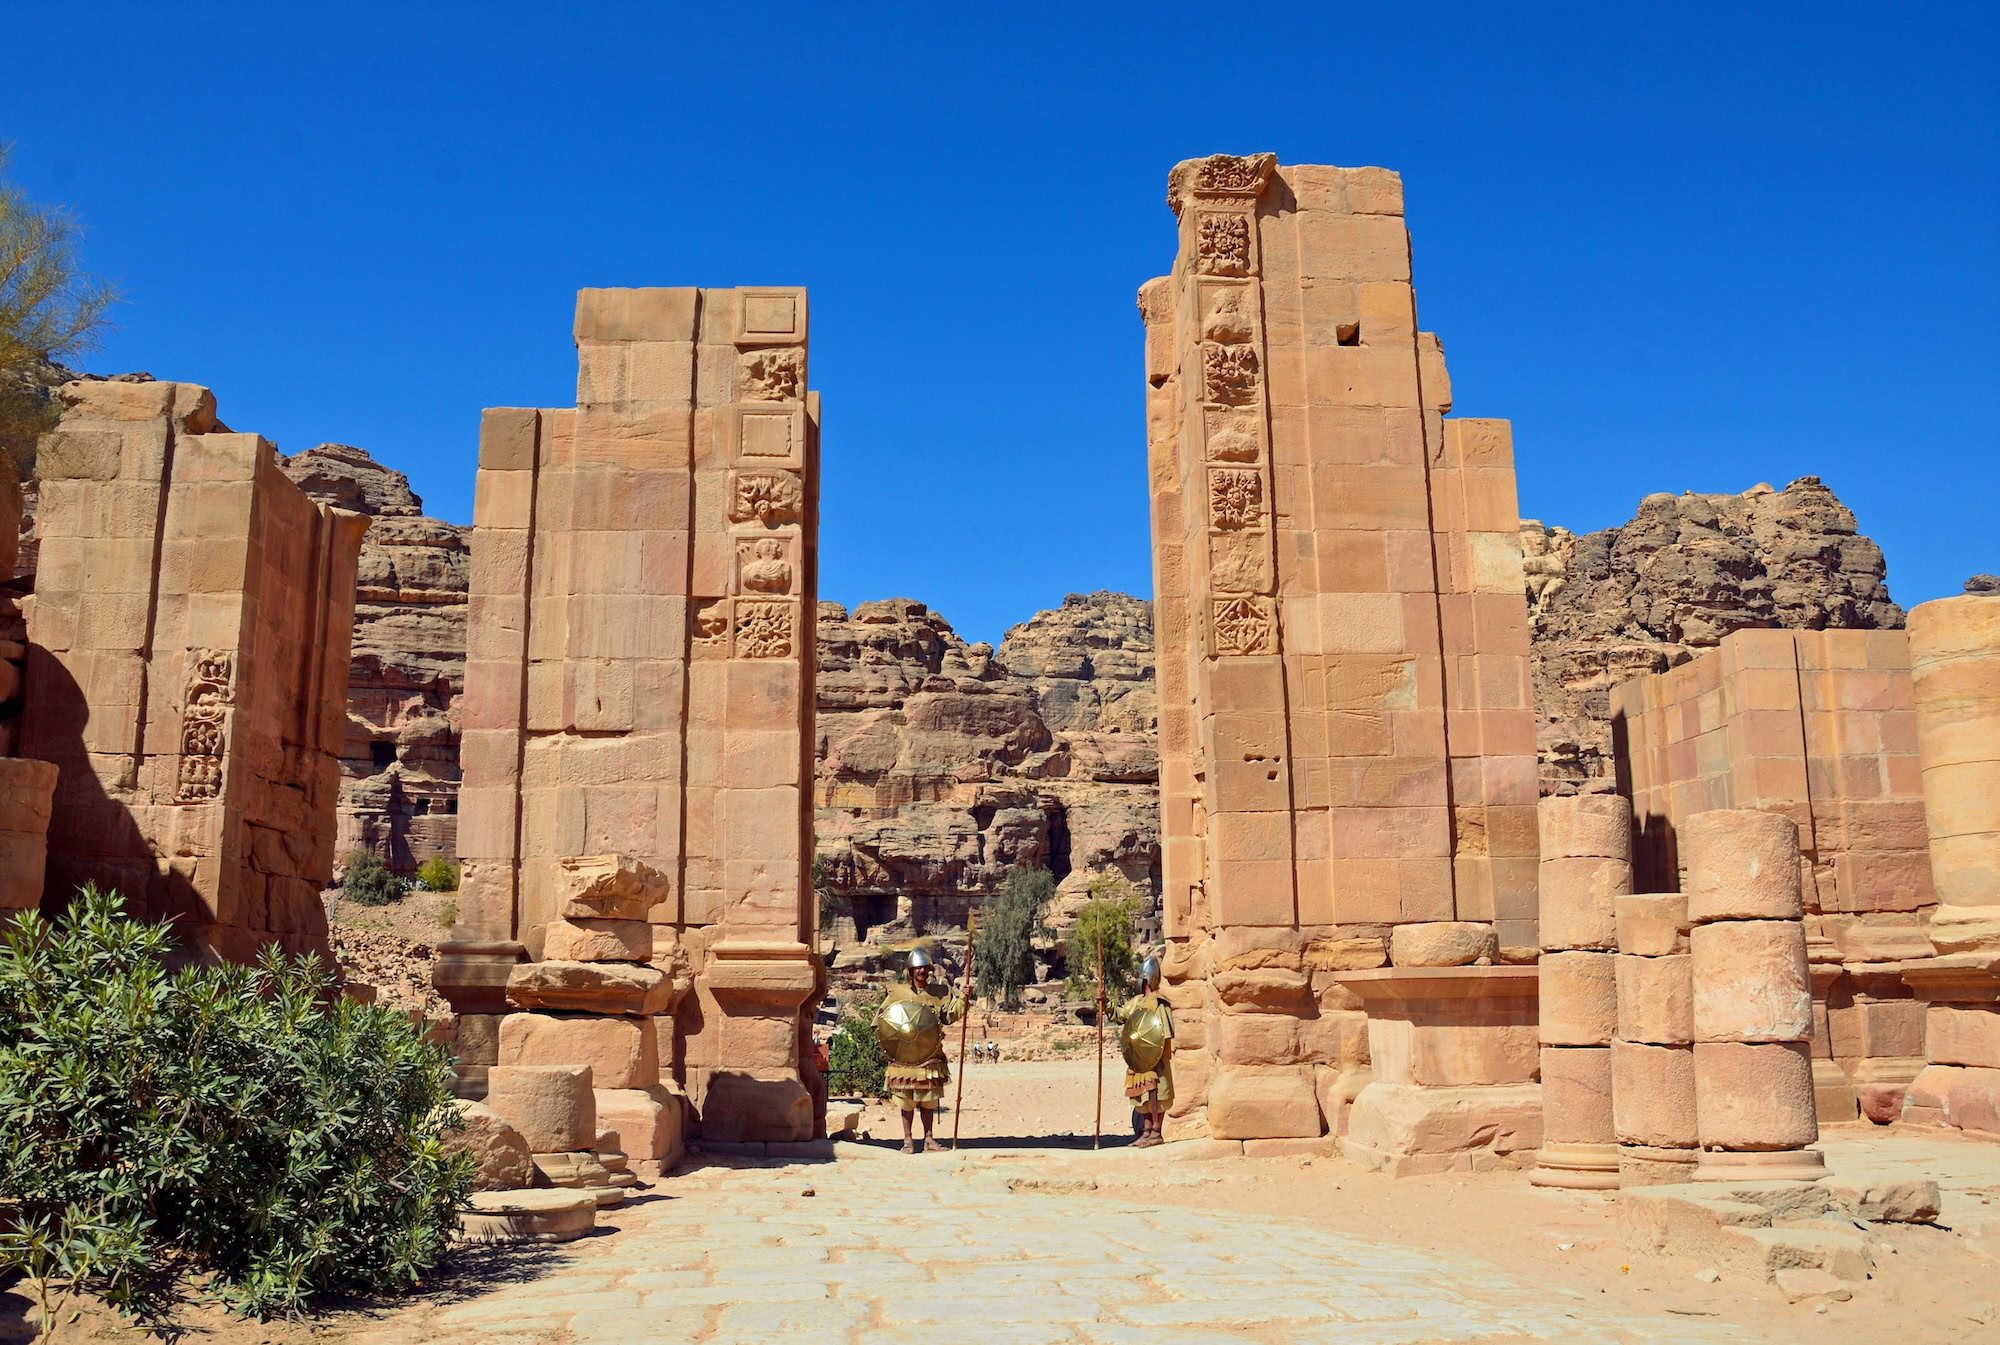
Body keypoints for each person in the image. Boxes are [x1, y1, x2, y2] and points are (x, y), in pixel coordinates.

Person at [877, 948, 964, 1154]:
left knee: (928, 1100)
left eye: (925, 967)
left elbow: (949, 1016)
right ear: (910, 971)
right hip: (904, 1058)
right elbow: (883, 1021)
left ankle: (929, 1139)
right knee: (906, 1101)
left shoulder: (940, 992)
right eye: (918, 968)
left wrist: (963, 1000)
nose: (922, 971)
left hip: (930, 1056)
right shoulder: (897, 994)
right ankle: (908, 1140)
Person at [1113, 955, 1174, 1148]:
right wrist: (1105, 1002)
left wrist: (1153, 1057)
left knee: (1155, 1094)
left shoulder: (1159, 1003)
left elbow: (1163, 1032)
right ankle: (1146, 1131)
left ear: (1146, 978)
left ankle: (1156, 1131)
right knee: (1142, 1094)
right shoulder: (1137, 1002)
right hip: (1139, 1060)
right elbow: (1121, 1015)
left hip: (1154, 1059)